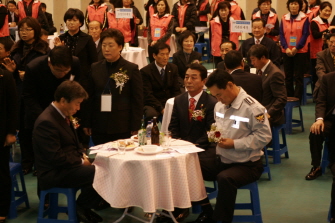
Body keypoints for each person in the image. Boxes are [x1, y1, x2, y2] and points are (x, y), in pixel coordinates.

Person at [190, 69, 271, 223]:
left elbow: (265, 137)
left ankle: (220, 220)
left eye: (219, 95)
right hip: (223, 158)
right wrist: (213, 135)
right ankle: (206, 210)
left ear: (230, 85)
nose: (218, 99)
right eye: (215, 96)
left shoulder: (253, 108)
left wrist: (235, 144)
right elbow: (217, 125)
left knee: (225, 179)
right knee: (191, 164)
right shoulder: (220, 105)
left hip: (247, 164)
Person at [33, 80, 109, 223]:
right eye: (77, 103)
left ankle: (84, 207)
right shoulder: (47, 122)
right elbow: (55, 158)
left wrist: (84, 155)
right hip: (53, 172)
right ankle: (79, 207)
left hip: (65, 166)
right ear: (63, 100)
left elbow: (74, 143)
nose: (78, 108)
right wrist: (81, 161)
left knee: (104, 165)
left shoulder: (61, 115)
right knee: (101, 172)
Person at [167, 63, 217, 222]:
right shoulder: (179, 100)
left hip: (204, 149)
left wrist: (192, 147)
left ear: (204, 81)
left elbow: (212, 132)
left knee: (188, 164)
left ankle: (189, 208)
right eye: (186, 77)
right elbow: (172, 127)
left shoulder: (211, 102)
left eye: (194, 77)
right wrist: (178, 144)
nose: (188, 81)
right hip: (181, 147)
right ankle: (174, 206)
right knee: (166, 162)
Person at [3, 16, 49, 175]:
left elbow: (47, 73)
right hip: (19, 94)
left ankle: (39, 163)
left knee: (37, 130)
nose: (24, 33)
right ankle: (26, 162)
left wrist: (28, 76)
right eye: (21, 29)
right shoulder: (16, 48)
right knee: (23, 131)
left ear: (35, 31)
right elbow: (15, 74)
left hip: (37, 95)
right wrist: (12, 72)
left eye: (28, 29)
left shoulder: (43, 49)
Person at [82, 28, 143, 145]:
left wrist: (135, 125)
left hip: (121, 124)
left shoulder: (131, 69)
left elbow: (137, 99)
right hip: (99, 122)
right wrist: (87, 122)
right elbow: (89, 97)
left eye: (110, 45)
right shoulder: (95, 67)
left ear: (120, 47)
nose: (106, 49)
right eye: (104, 45)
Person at [22, 46, 81, 142]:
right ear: (50, 63)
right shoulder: (34, 67)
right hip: (40, 113)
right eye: (58, 70)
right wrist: (46, 117)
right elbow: (29, 97)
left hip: (66, 115)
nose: (63, 74)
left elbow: (76, 88)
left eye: (66, 70)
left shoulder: (75, 62)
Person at [54, 8, 97, 87]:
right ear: (66, 22)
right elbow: (55, 60)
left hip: (83, 77)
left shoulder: (87, 39)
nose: (71, 23)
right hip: (64, 76)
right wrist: (59, 49)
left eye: (74, 20)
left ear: (80, 23)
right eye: (69, 20)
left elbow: (94, 60)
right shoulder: (61, 38)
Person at [141, 43, 180, 124]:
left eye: (167, 54)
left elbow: (176, 90)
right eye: (162, 54)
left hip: (168, 101)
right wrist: (161, 109)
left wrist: (173, 104)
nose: (165, 57)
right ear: (154, 56)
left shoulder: (173, 68)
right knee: (151, 115)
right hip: (152, 103)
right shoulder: (145, 71)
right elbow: (148, 95)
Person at [248, 44, 287, 126]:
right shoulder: (261, 69)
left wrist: (269, 113)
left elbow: (281, 98)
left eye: (253, 60)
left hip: (271, 113)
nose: (252, 63)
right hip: (259, 109)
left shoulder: (275, 73)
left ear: (262, 58)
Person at [280, 0, 310, 100]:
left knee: (298, 77)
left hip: (300, 51)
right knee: (288, 77)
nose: (293, 6)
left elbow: (305, 34)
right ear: (288, 5)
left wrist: (297, 48)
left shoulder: (305, 18)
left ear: (300, 6)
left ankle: (297, 99)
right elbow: (281, 34)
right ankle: (289, 97)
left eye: (296, 4)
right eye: (291, 4)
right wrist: (286, 48)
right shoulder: (284, 18)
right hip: (287, 51)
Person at [0, 63, 17, 223]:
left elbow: (13, 106)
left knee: (1, 173)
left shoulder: (5, 76)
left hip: (1, 132)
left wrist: (11, 132)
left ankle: (2, 210)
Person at [310, 1, 334, 92]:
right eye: (325, 10)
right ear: (320, 10)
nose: (327, 13)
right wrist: (328, 29)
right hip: (316, 53)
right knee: (317, 76)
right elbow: (315, 35)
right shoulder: (314, 21)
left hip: (326, 52)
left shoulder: (327, 21)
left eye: (329, 11)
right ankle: (316, 94)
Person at [210, 1, 240, 67]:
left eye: (225, 10)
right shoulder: (213, 22)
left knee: (232, 66)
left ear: (229, 10)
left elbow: (238, 34)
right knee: (219, 66)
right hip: (218, 48)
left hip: (231, 47)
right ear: (218, 11)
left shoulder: (234, 22)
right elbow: (211, 37)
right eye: (221, 10)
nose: (223, 12)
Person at [314, 33, 335, 100]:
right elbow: (320, 72)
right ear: (328, 42)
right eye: (331, 42)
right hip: (325, 85)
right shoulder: (321, 55)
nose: (333, 45)